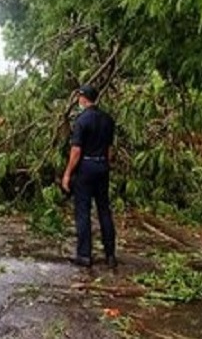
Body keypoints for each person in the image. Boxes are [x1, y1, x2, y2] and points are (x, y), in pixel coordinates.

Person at [62, 85, 117, 269]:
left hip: (86, 167)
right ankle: (110, 254)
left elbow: (76, 151)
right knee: (104, 210)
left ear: (84, 99)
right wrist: (106, 165)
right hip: (102, 166)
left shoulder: (81, 121)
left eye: (79, 97)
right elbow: (110, 150)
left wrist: (68, 173)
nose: (78, 100)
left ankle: (84, 255)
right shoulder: (108, 120)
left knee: (83, 211)